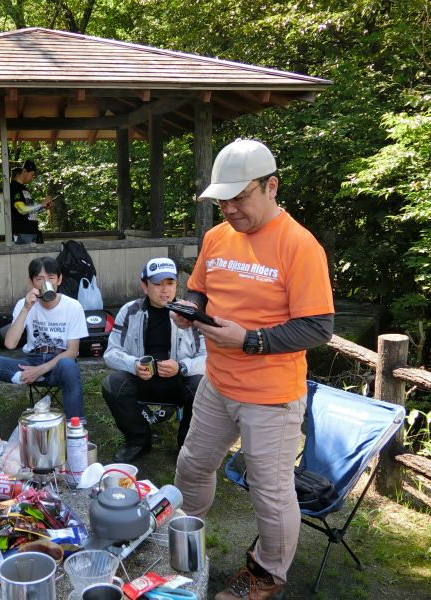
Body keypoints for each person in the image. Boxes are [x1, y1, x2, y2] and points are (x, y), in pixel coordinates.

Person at [172, 139, 334, 600]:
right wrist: (192, 309)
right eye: (222, 200)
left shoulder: (299, 245)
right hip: (217, 382)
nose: (229, 209)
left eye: (239, 197)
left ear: (271, 186)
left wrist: (249, 340)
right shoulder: (216, 237)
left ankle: (266, 576)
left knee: (270, 491)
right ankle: (183, 537)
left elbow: (318, 327)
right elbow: (201, 288)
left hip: (271, 395)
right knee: (192, 464)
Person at [102, 258, 206, 462]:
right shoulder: (130, 311)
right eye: (158, 284)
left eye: (170, 283)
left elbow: (208, 358)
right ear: (144, 286)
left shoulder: (190, 314)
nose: (165, 290)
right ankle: (138, 441)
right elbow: (111, 353)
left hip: (179, 380)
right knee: (112, 384)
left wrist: (181, 367)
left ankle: (186, 446)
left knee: (201, 386)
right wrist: (134, 364)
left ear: (176, 285)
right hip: (143, 379)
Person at [0, 256, 87, 438]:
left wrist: (41, 369)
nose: (46, 283)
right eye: (40, 279)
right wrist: (26, 308)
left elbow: (72, 351)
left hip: (58, 364)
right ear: (31, 282)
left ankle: (76, 430)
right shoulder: (24, 304)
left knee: (68, 365)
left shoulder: (73, 307)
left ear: (59, 280)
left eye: (51, 278)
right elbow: (10, 344)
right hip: (31, 360)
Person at [10, 160, 54, 244]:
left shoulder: (24, 188)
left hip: (32, 231)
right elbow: (22, 209)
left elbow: (30, 211)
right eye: (32, 175)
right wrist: (41, 204)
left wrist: (44, 207)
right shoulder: (14, 187)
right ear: (24, 171)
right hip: (22, 232)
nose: (33, 178)